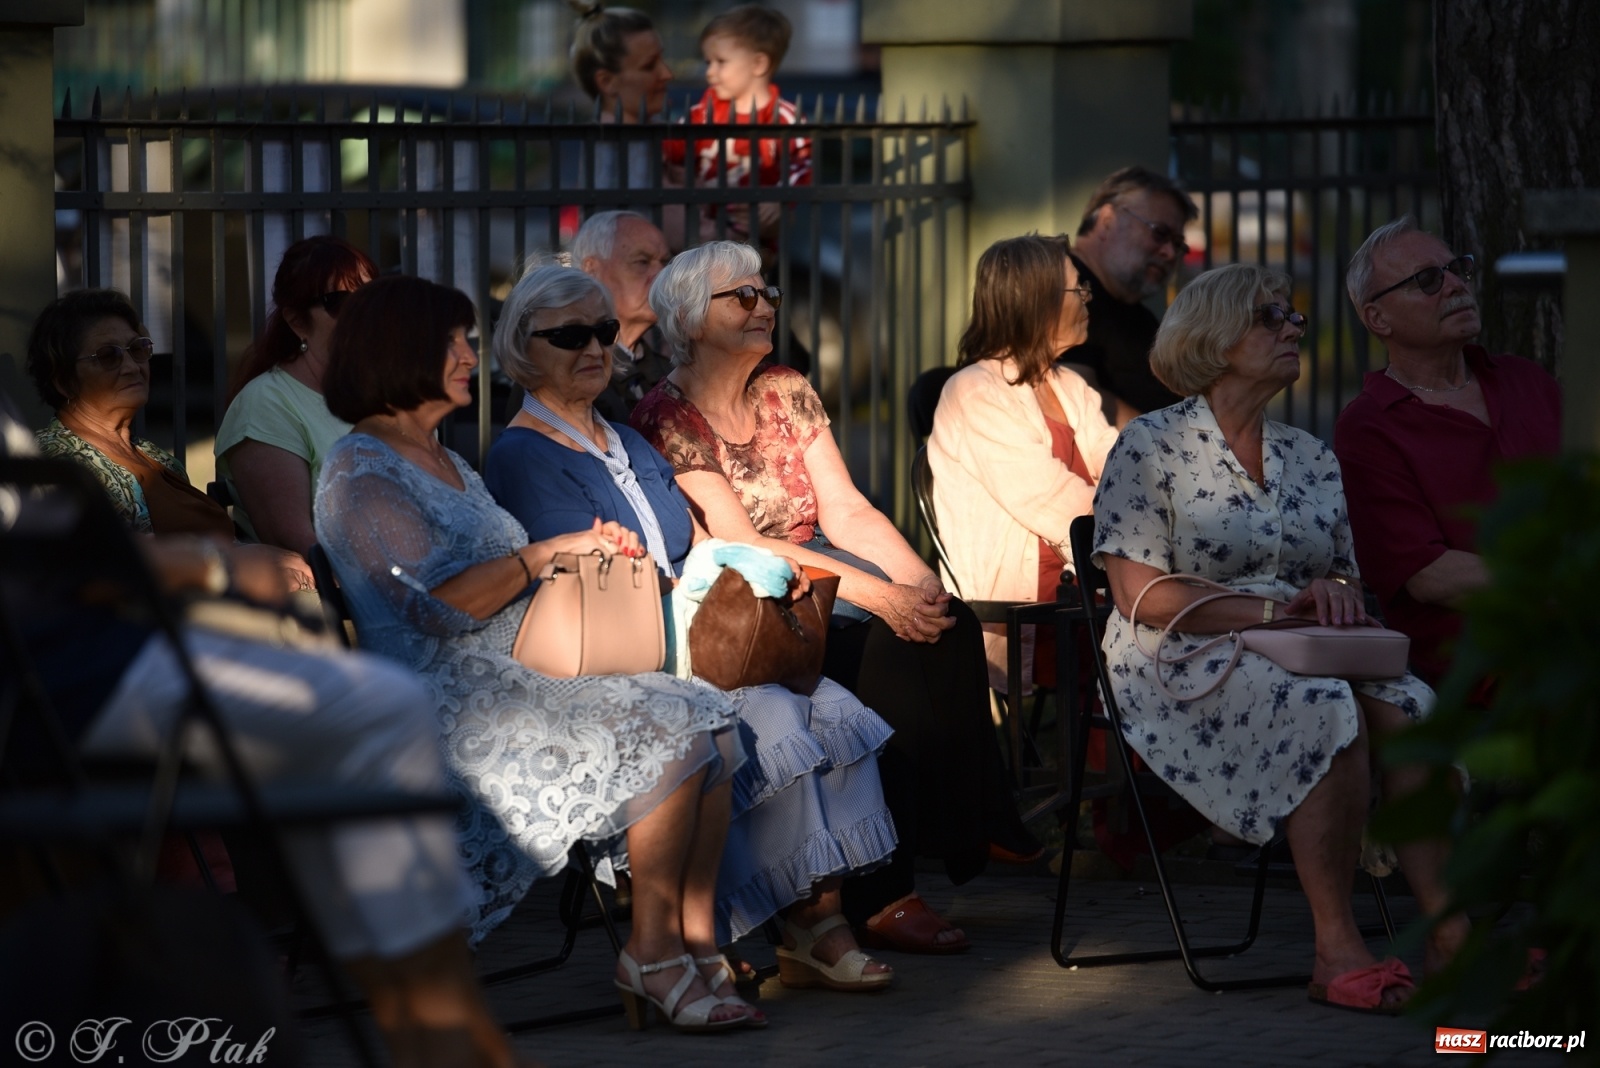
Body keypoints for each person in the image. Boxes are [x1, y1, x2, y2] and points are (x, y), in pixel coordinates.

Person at [0, 391, 525, 1068]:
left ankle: (434, 1025)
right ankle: (439, 1032)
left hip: (75, 659)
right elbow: (40, 555)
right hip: (54, 678)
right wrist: (206, 565)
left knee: (363, 722)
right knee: (378, 710)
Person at [312, 274, 755, 1033]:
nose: (468, 355)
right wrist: (547, 553)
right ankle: (650, 953)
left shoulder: (447, 459)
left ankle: (693, 942)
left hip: (509, 675)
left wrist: (580, 553)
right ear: (399, 353)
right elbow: (437, 604)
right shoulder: (358, 468)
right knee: (675, 722)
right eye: (451, 342)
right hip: (435, 701)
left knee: (711, 713)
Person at [483, 262, 897, 998]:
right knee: (770, 716)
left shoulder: (624, 441)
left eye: (605, 332)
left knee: (827, 703)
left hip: (688, 636)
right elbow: (587, 575)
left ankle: (814, 918)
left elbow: (694, 537)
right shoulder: (523, 453)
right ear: (522, 348)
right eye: (570, 335)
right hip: (619, 655)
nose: (594, 347)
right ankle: (759, 922)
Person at [633, 240, 1043, 956]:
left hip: (820, 565)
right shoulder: (665, 415)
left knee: (948, 624)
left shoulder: (785, 387)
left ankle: (973, 822)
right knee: (882, 641)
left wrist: (918, 584)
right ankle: (886, 890)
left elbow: (847, 509)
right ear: (692, 319)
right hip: (749, 589)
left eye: (768, 293)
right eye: (744, 297)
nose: (765, 307)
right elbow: (739, 539)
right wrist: (882, 600)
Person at [1091, 262, 1465, 1013]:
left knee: (1412, 707)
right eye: (1272, 317)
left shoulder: (1312, 455)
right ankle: (1336, 949)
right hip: (1180, 648)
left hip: (1302, 643)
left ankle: (1454, 934)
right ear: (1217, 337)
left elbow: (1350, 578)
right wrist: (1272, 616)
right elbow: (1142, 596)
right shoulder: (1150, 446)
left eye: (1293, 316)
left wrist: (1333, 592)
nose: (1295, 327)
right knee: (1328, 707)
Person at [1333, 216, 1561, 687]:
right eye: (1428, 280)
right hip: (1487, 677)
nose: (1456, 285)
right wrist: (1558, 588)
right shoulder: (1370, 425)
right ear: (1378, 318)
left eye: (1457, 269)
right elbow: (1428, 573)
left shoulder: (1526, 380)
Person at [928, 233, 1119, 693]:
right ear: (1039, 301)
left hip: (1095, 567)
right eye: (1080, 289)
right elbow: (1054, 502)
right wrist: (1146, 531)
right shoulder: (975, 391)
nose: (1089, 299)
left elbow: (1120, 468)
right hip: (1036, 600)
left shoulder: (1069, 385)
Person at [26, 288, 313, 594]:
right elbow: (107, 562)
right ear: (63, 380)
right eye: (109, 356)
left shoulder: (156, 457)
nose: (132, 366)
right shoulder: (56, 458)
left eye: (138, 349)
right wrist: (235, 561)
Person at [215, 235, 376, 556]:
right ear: (296, 321)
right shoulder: (267, 404)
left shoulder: (391, 392)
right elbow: (297, 541)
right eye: (341, 302)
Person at [663, 3, 811, 245]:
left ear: (758, 64)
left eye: (720, 62)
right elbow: (669, 159)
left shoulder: (785, 118)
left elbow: (803, 165)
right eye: (708, 61)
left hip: (756, 240)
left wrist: (780, 198)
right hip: (700, 236)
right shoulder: (699, 116)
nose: (709, 72)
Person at [1064, 166, 1198, 427]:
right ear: (1107, 221)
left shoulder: (1139, 316)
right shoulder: (1060, 288)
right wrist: (1174, 450)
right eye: (1159, 233)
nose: (1170, 253)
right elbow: (1072, 397)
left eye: (1178, 244)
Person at [566, 1, 700, 251]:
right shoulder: (609, 146)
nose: (667, 73)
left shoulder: (660, 134)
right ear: (607, 82)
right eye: (650, 66)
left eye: (662, 60)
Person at [568, 210, 674, 422]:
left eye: (665, 263)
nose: (662, 276)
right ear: (592, 270)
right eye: (642, 262)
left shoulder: (671, 374)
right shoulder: (563, 370)